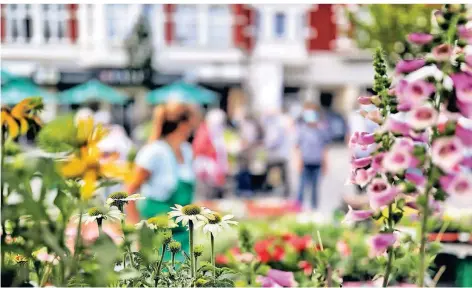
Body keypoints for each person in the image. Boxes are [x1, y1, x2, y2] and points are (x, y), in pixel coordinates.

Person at [126, 102, 196, 256]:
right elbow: (129, 191)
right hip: (157, 236)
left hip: (183, 235)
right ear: (183, 124)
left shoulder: (186, 151)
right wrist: (138, 231)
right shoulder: (154, 152)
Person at [296, 102, 331, 210]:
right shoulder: (301, 129)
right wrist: (298, 161)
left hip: (317, 163)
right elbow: (297, 147)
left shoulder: (321, 129)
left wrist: (325, 163)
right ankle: (298, 208)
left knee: (315, 188)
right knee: (302, 188)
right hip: (305, 162)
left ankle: (314, 209)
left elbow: (324, 148)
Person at [193, 108, 229, 199]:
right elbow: (199, 148)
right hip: (205, 169)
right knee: (205, 195)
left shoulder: (216, 133)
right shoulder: (204, 131)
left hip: (213, 169)